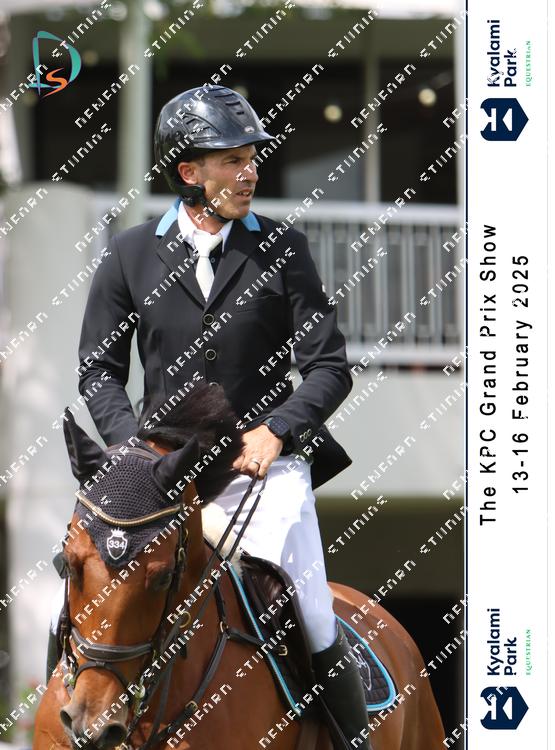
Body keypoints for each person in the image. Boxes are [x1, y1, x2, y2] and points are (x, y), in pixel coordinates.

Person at [65, 85, 371, 748]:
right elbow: (98, 372)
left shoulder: (284, 249)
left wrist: (277, 429)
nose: (250, 172)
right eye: (233, 160)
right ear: (189, 172)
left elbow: (329, 367)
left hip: (262, 475)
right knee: (91, 590)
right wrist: (132, 455)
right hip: (159, 481)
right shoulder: (128, 254)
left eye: (252, 159)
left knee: (314, 616)